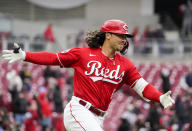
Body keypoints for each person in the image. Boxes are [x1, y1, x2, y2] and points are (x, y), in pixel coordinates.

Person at [1, 19, 175, 131]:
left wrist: (159, 97)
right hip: (79, 109)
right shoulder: (83, 54)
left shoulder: (125, 65)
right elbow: (54, 58)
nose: (124, 39)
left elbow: (142, 86)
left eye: (126, 36)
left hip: (98, 118)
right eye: (120, 35)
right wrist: (25, 56)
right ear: (108, 35)